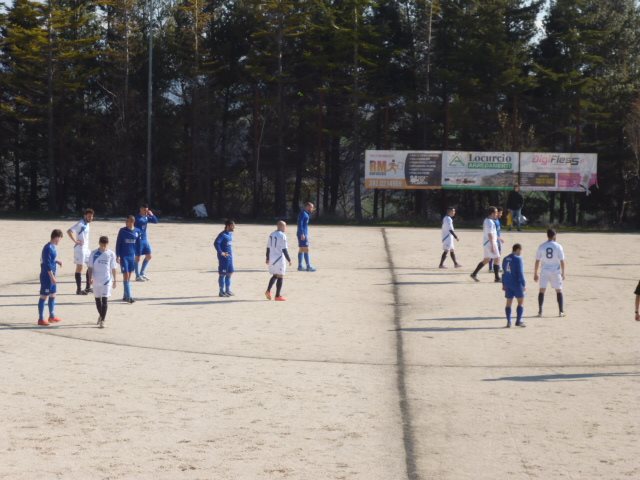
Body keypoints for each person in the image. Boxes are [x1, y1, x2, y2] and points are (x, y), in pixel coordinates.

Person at [533, 228, 566, 317]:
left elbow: (537, 261)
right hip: (556, 271)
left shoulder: (542, 246)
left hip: (545, 271)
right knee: (559, 290)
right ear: (554, 235)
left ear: (547, 235)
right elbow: (562, 261)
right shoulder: (558, 246)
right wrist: (563, 273)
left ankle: (540, 311)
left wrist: (535, 273)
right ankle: (561, 311)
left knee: (542, 290)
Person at [87, 236, 117, 328]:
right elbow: (90, 267)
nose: (104, 247)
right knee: (97, 300)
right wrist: (90, 277)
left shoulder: (111, 254)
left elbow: (113, 268)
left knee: (105, 300)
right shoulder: (93, 253)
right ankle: (101, 315)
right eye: (102, 245)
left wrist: (115, 280)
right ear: (99, 243)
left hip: (107, 280)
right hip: (96, 280)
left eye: (105, 245)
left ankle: (103, 320)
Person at [37, 229, 64, 326]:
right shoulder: (47, 248)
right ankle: (40, 319)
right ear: (56, 237)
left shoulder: (53, 247)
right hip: (46, 276)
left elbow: (51, 259)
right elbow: (46, 264)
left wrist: (57, 261)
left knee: (53, 294)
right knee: (44, 296)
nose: (60, 241)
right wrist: (52, 277)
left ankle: (52, 316)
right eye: (60, 238)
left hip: (52, 275)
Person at [67, 208, 94, 295]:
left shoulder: (87, 224)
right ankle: (78, 290)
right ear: (85, 216)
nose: (90, 218)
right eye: (89, 216)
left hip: (86, 248)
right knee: (80, 268)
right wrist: (75, 241)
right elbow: (69, 231)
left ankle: (88, 287)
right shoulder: (80, 223)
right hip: (80, 249)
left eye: (91, 216)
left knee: (91, 265)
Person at [470, 207, 501, 283]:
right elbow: (490, 234)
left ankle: (474, 274)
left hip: (487, 242)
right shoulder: (490, 222)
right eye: (496, 212)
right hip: (490, 242)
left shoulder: (487, 220)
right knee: (497, 258)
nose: (497, 214)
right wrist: (493, 245)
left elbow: (492, 233)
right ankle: (497, 278)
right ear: (492, 213)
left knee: (487, 259)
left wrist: (498, 238)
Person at [116, 215, 142, 303]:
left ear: (132, 222)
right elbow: (118, 243)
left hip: (132, 257)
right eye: (126, 221)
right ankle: (129, 297)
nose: (126, 223)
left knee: (129, 277)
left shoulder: (137, 231)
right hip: (124, 257)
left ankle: (124, 295)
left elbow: (139, 244)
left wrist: (138, 255)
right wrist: (118, 255)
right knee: (126, 276)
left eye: (128, 221)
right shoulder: (122, 231)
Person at [265, 221, 293, 301]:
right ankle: (277, 296)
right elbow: (284, 249)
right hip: (279, 258)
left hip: (272, 258)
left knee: (275, 275)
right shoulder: (282, 235)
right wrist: (289, 259)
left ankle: (268, 291)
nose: (285, 228)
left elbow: (268, 247)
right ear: (280, 226)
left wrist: (267, 258)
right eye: (284, 226)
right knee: (280, 276)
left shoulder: (271, 234)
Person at [502, 243, 526, 328]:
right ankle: (518, 321)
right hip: (517, 284)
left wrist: (503, 283)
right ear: (517, 249)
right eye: (520, 251)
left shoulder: (505, 259)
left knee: (508, 303)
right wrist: (524, 284)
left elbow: (504, 273)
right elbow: (520, 273)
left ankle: (509, 322)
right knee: (521, 302)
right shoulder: (518, 259)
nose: (521, 253)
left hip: (508, 283)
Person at [134, 204, 158, 281]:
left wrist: (152, 214)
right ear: (140, 209)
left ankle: (142, 273)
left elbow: (155, 221)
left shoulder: (146, 217)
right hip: (138, 240)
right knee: (137, 258)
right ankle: (137, 276)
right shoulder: (137, 218)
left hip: (145, 240)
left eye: (147, 210)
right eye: (144, 210)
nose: (146, 211)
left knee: (149, 256)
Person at [214, 219, 235, 297]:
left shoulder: (230, 234)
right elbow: (216, 243)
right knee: (222, 274)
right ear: (228, 226)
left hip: (230, 258)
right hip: (223, 258)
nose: (234, 227)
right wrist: (221, 253)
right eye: (233, 226)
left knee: (230, 273)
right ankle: (221, 291)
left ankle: (227, 290)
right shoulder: (222, 235)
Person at [297, 202, 316, 272]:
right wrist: (302, 233)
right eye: (311, 207)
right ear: (307, 206)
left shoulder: (305, 213)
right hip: (302, 234)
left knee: (301, 249)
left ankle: (300, 266)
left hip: (302, 234)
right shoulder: (303, 214)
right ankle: (308, 266)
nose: (312, 209)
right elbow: (300, 224)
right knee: (306, 249)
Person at [488, 207, 505, 272]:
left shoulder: (497, 220)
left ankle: (497, 266)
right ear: (497, 213)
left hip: (498, 239)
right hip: (495, 239)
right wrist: (498, 238)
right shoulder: (493, 221)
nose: (501, 214)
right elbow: (492, 232)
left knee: (498, 253)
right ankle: (491, 267)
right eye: (500, 213)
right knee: (495, 253)